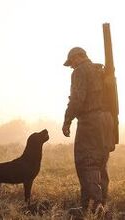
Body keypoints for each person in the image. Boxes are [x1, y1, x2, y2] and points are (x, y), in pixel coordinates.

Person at [62, 47, 115, 216]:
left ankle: (94, 207)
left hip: (90, 121)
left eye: (72, 62)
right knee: (100, 164)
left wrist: (67, 120)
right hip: (107, 121)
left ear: (79, 57)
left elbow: (77, 99)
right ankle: (97, 206)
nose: (72, 66)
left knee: (87, 162)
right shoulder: (101, 70)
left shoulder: (80, 71)